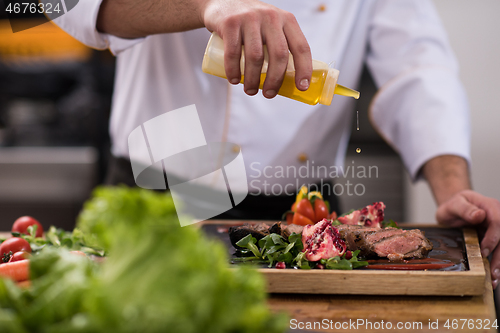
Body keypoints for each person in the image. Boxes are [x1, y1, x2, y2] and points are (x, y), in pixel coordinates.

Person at [53, 0, 500, 287]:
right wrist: (207, 6)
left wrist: (453, 190)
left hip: (305, 212)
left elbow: (417, 72)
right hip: (160, 195)